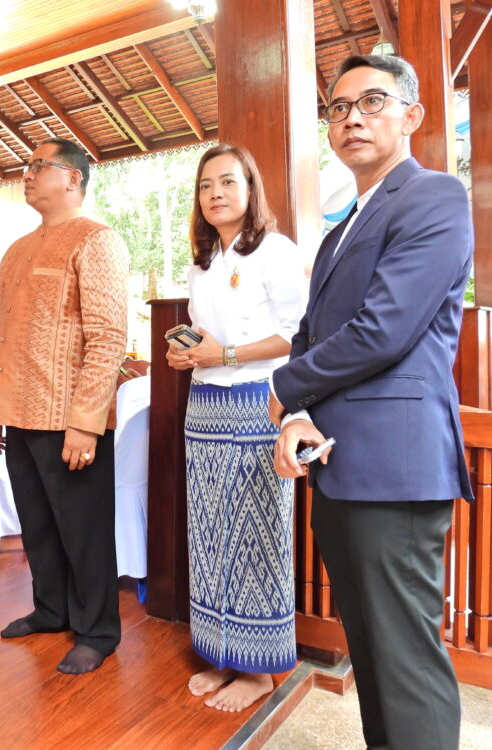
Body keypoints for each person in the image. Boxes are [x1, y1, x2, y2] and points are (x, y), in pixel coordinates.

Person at [270, 55, 473, 750]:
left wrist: (282, 388)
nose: (352, 117)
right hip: (338, 462)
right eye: (338, 108)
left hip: (396, 466)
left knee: (405, 661)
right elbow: (309, 333)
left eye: (372, 102)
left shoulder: (434, 196)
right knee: (372, 650)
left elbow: (384, 330)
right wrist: (298, 414)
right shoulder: (339, 231)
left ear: (412, 116)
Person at [165, 144, 307, 712]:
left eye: (227, 182)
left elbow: (297, 335)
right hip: (204, 406)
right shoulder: (201, 264)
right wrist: (186, 356)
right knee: (209, 532)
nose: (215, 193)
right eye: (205, 186)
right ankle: (221, 652)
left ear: (250, 189)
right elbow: (204, 342)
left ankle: (259, 670)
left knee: (258, 530)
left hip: (259, 402)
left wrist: (223, 355)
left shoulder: (276, 250)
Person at [0, 137, 128, 675]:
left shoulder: (96, 240)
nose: (27, 174)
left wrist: (86, 424)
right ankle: (51, 609)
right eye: (26, 167)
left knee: (83, 529)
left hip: (68, 418)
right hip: (17, 412)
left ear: (72, 178)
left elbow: (108, 337)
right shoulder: (17, 249)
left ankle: (97, 631)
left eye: (38, 166)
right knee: (37, 524)